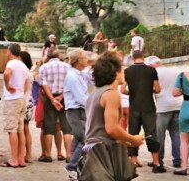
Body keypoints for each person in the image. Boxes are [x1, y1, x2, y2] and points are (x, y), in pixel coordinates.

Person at [77, 51, 145, 180]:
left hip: (93, 149)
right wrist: (132, 139)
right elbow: (111, 128)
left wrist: (124, 139)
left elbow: (99, 127)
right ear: (115, 72)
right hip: (102, 151)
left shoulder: (94, 94)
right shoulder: (112, 94)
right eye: (122, 69)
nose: (124, 72)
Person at [123, 49, 161, 170]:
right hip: (148, 106)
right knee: (151, 133)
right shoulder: (151, 70)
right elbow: (158, 89)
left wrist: (131, 93)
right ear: (143, 57)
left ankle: (133, 160)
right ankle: (156, 162)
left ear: (133, 58)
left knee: (133, 132)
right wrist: (151, 90)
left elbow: (122, 90)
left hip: (134, 106)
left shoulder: (127, 71)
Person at [37, 46, 70, 163]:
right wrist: (61, 97)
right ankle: (69, 154)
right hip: (64, 98)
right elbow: (69, 83)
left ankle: (47, 154)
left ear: (48, 56)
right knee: (66, 127)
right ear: (58, 55)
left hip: (49, 98)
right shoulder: (67, 66)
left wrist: (52, 99)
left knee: (49, 127)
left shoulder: (43, 67)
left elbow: (43, 84)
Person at [0, 42, 30, 168]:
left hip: (12, 98)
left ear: (10, 51)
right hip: (22, 98)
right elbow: (27, 81)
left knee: (11, 129)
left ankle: (13, 159)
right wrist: (21, 89)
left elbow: (6, 73)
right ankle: (21, 158)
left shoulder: (11, 63)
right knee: (20, 129)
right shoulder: (23, 65)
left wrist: (7, 85)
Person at [152, 56, 183, 172]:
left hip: (162, 107)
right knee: (176, 134)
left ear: (152, 65)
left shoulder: (154, 73)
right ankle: (177, 160)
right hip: (177, 105)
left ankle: (159, 160)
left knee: (160, 135)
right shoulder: (174, 71)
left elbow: (154, 88)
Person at [63, 48, 90, 172]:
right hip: (75, 111)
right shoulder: (73, 76)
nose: (87, 60)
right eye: (84, 57)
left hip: (78, 110)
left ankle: (74, 164)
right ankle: (72, 165)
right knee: (85, 139)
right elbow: (81, 98)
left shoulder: (78, 74)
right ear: (79, 60)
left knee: (78, 138)